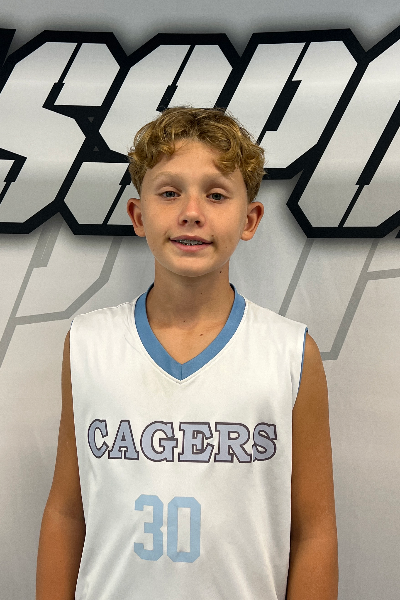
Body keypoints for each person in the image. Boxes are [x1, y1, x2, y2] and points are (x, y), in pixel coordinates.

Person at [36, 107, 338, 600]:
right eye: (169, 192)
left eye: (216, 194)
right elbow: (67, 512)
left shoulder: (290, 353)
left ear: (249, 219)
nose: (192, 212)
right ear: (139, 216)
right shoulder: (89, 343)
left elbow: (314, 532)